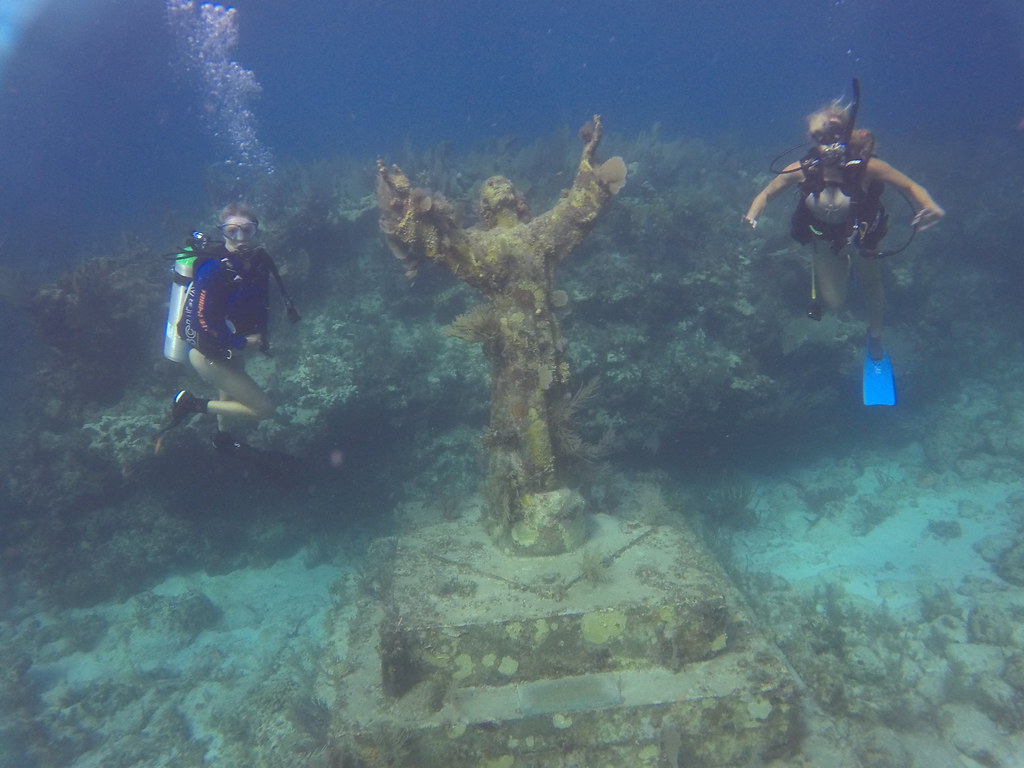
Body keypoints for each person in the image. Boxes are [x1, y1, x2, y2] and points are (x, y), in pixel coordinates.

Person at [743, 95, 945, 362]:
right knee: (835, 302)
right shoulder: (802, 169)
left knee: (872, 285)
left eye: (834, 137)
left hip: (861, 238)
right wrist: (752, 215)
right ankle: (839, 268)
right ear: (814, 140)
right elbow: (767, 194)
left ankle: (875, 336)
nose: (829, 147)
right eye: (821, 139)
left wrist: (931, 206)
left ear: (847, 135)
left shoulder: (867, 168)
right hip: (825, 241)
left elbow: (909, 185)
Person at [159, 202, 286, 456]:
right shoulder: (213, 270)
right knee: (264, 410)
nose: (240, 239)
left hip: (231, 348)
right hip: (210, 355)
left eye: (246, 230)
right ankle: (191, 405)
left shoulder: (258, 264)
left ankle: (222, 436)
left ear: (256, 230)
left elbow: (262, 304)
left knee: (227, 391)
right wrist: (240, 343)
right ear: (222, 232)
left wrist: (258, 337)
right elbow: (202, 322)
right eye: (232, 231)